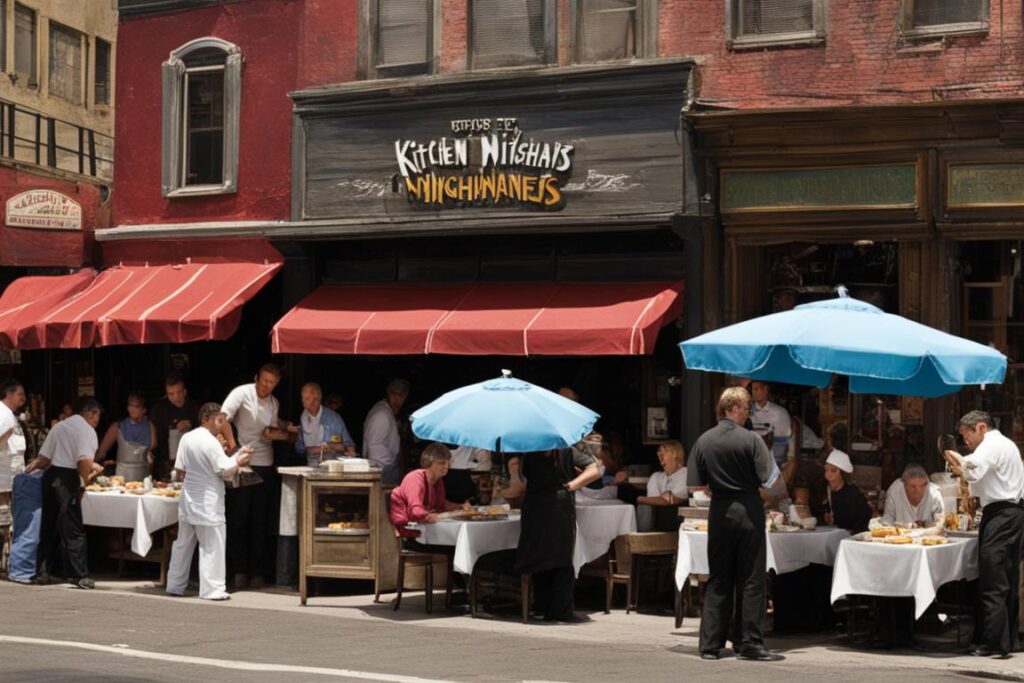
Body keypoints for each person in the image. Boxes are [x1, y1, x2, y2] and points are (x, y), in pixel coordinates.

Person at [687, 386, 782, 661]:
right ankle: (749, 642)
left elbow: (696, 485)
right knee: (751, 579)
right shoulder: (752, 440)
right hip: (749, 511)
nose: (747, 412)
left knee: (718, 577)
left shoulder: (703, 441)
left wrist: (716, 487)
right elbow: (771, 479)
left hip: (719, 513)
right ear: (734, 408)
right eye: (745, 407)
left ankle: (710, 645)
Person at [944, 410, 1024, 657]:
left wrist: (956, 457)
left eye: (966, 434)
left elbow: (973, 468)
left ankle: (993, 642)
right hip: (1010, 512)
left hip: (1002, 513)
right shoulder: (1005, 445)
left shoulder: (992, 444)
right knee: (1006, 577)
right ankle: (1006, 640)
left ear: (980, 427)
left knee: (993, 577)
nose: (965, 440)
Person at [166, 403, 253, 601]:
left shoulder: (187, 438)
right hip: (208, 501)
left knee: (183, 544)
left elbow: (180, 470)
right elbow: (224, 469)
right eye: (218, 420)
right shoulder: (210, 442)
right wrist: (239, 459)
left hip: (189, 499)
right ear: (206, 419)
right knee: (212, 544)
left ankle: (175, 584)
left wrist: (236, 457)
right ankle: (212, 589)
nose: (220, 425)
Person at [219, 363, 291, 590]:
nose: (266, 387)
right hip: (242, 463)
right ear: (256, 378)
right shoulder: (242, 393)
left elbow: (268, 432)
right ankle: (239, 569)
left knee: (260, 520)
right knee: (240, 517)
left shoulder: (273, 403)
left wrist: (283, 434)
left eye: (272, 383)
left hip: (264, 463)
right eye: (264, 381)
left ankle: (257, 571)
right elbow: (222, 419)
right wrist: (233, 446)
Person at [516, 445, 602, 623]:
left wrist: (573, 484)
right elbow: (597, 467)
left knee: (540, 555)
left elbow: (522, 480)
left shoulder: (528, 450)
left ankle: (542, 607)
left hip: (536, 504)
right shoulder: (565, 450)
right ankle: (560, 610)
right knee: (560, 556)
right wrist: (574, 485)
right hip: (557, 503)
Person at [25, 397, 103, 589]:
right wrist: (85, 481)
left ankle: (43, 571)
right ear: (91, 413)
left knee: (49, 526)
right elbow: (83, 461)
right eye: (97, 416)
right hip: (67, 478)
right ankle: (79, 575)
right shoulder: (87, 431)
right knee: (73, 527)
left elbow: (44, 458)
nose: (97, 420)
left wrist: (30, 468)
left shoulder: (60, 426)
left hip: (51, 477)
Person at [389, 443, 469, 552]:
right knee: (459, 546)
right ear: (429, 463)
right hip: (413, 536)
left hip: (428, 532)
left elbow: (441, 505)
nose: (446, 466)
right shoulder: (415, 479)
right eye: (441, 463)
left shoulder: (437, 480)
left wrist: (460, 507)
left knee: (462, 544)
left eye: (448, 463)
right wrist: (429, 516)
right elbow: (415, 511)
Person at [149, 372, 201, 480]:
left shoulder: (194, 407)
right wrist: (173, 427)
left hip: (191, 461)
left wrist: (190, 428)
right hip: (165, 460)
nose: (176, 397)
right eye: (171, 394)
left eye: (178, 392)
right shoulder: (159, 409)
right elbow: (153, 430)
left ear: (184, 391)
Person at [95, 393, 157, 482]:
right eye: (131, 405)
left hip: (144, 476)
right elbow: (102, 452)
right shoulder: (117, 427)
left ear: (144, 410)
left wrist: (150, 455)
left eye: (137, 406)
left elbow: (153, 450)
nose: (132, 409)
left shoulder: (150, 426)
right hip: (122, 476)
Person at [870, 464, 945, 532]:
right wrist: (904, 526)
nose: (917, 491)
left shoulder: (934, 492)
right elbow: (887, 522)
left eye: (922, 485)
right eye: (912, 486)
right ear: (904, 484)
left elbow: (941, 524)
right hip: (899, 539)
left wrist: (925, 524)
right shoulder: (894, 490)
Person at [294, 382, 355, 466]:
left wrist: (335, 447)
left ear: (320, 397)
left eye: (315, 398)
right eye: (308, 399)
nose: (312, 402)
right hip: (310, 466)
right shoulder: (303, 418)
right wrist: (310, 449)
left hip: (332, 467)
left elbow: (349, 446)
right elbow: (299, 449)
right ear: (302, 400)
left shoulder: (333, 418)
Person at [362, 379, 410, 486]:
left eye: (400, 395)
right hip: (383, 470)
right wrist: (391, 464)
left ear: (405, 397)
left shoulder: (388, 412)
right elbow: (374, 446)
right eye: (394, 394)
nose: (397, 399)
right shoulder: (381, 415)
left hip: (385, 468)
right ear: (389, 394)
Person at [637, 440, 687, 532]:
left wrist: (639, 498)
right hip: (655, 527)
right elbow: (653, 502)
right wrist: (661, 499)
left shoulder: (685, 474)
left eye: (663, 452)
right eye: (659, 453)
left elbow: (673, 500)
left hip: (676, 526)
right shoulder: (656, 477)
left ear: (674, 453)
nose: (660, 455)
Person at [821, 446, 871, 535]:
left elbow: (863, 523)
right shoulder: (823, 491)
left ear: (842, 474)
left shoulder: (854, 495)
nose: (828, 475)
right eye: (826, 470)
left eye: (833, 471)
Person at [0, 379, 27, 522]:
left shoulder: (8, 414)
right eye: (20, 394)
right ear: (9, 395)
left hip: (10, 483)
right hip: (3, 485)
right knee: (4, 523)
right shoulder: (3, 415)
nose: (24, 398)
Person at [749, 381, 792, 467]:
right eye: (754, 389)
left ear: (766, 389)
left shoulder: (780, 412)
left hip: (775, 459)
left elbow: (784, 440)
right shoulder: (747, 411)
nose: (755, 392)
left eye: (758, 389)